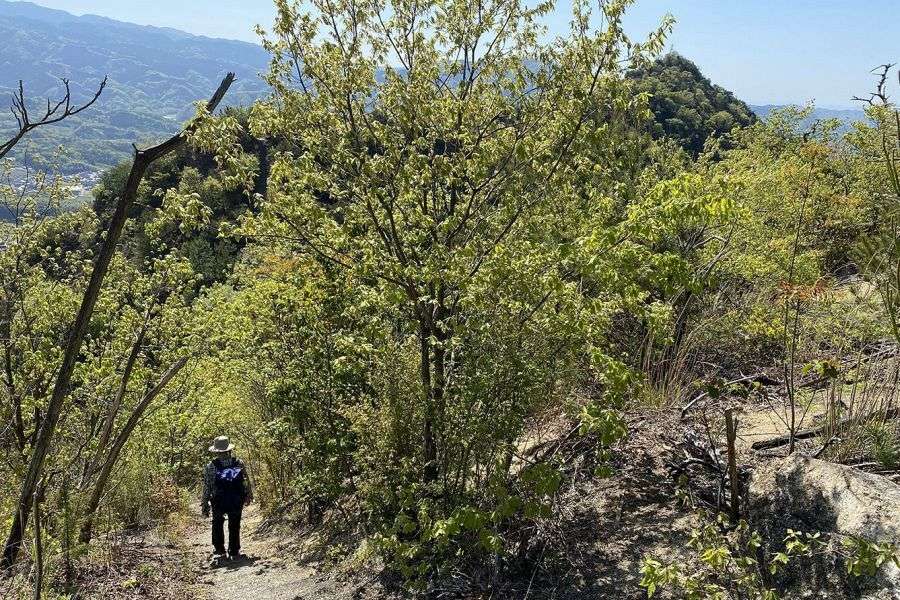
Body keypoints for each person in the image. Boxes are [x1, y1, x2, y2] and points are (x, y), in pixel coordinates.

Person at [201, 435, 253, 561]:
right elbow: (245, 481)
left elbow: (207, 485)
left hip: (219, 499)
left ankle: (220, 550)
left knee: (217, 523)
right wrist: (249, 495)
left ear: (217, 451)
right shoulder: (239, 463)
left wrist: (205, 503)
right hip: (236, 498)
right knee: (234, 524)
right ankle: (234, 551)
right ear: (229, 450)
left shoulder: (211, 466)